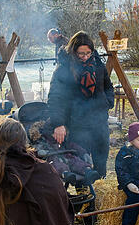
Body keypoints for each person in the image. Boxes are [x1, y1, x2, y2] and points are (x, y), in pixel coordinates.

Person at [47, 31, 115, 178]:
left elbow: (108, 86)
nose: (85, 57)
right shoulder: (63, 69)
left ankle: (100, 184)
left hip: (99, 122)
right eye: (81, 54)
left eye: (88, 53)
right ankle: (84, 189)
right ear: (73, 51)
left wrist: (107, 102)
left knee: (101, 159)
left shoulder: (98, 65)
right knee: (80, 162)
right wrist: (58, 123)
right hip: (76, 124)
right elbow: (55, 98)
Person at [28, 119, 100, 185]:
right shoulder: (43, 141)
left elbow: (72, 146)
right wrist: (42, 152)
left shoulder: (63, 140)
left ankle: (87, 171)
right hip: (52, 158)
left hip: (67, 156)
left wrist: (83, 153)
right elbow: (37, 149)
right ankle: (65, 174)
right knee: (57, 165)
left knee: (76, 161)